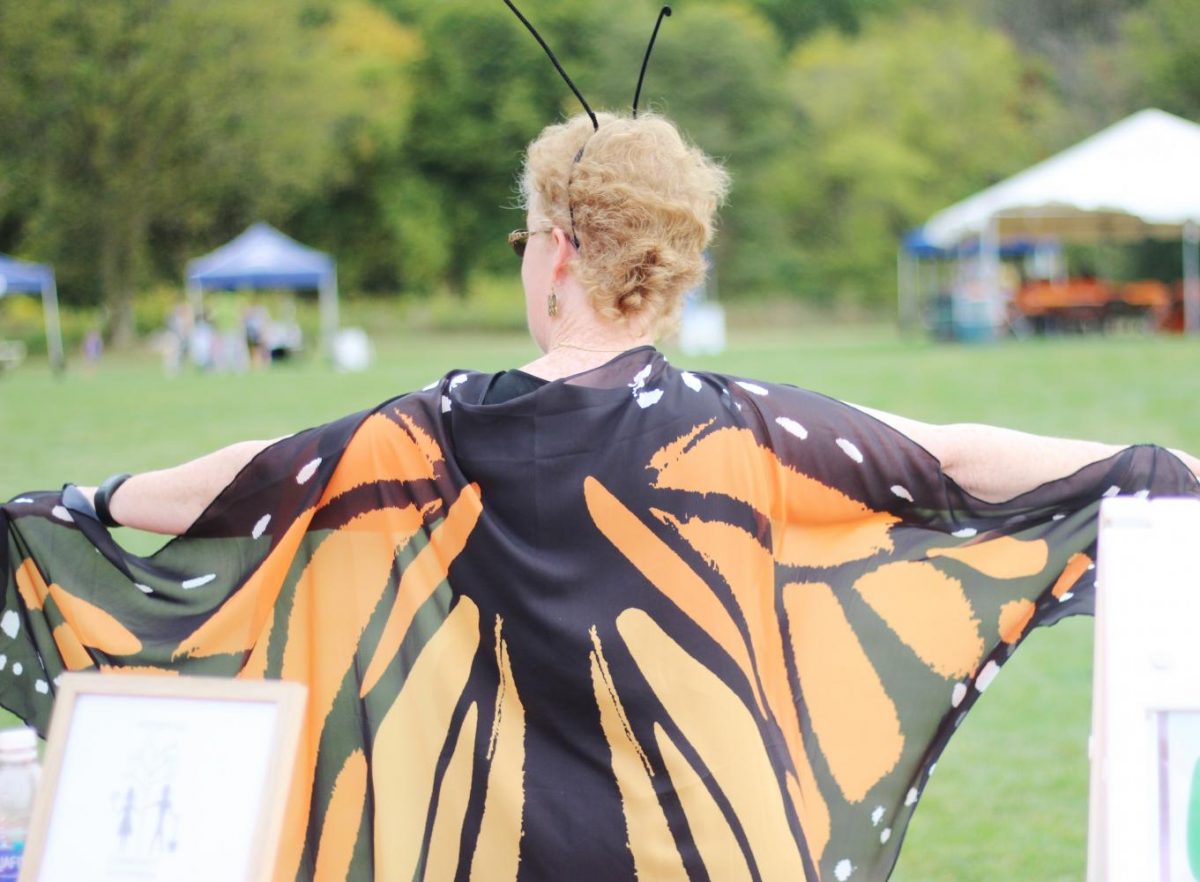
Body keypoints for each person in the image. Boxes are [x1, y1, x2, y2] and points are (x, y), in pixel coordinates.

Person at [3, 110, 1199, 882]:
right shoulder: (747, 433)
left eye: (529, 239)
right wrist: (1149, 472)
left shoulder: (421, 432)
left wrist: (86, 501)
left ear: (562, 250)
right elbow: (951, 457)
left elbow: (242, 481)